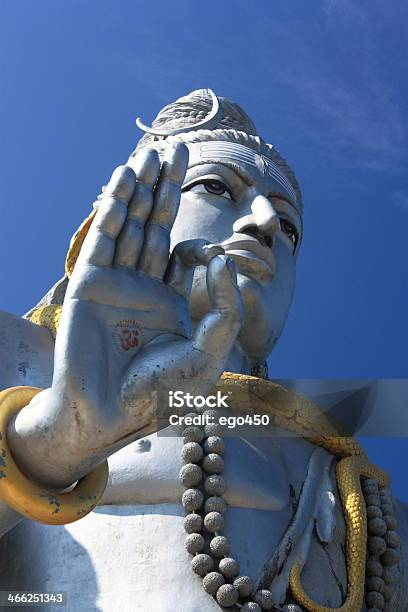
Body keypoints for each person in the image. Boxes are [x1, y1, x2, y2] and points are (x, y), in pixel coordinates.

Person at [0, 89, 406, 611]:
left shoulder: (355, 493)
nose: (262, 223)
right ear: (117, 209)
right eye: (216, 187)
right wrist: (49, 445)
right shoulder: (19, 356)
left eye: (288, 227)